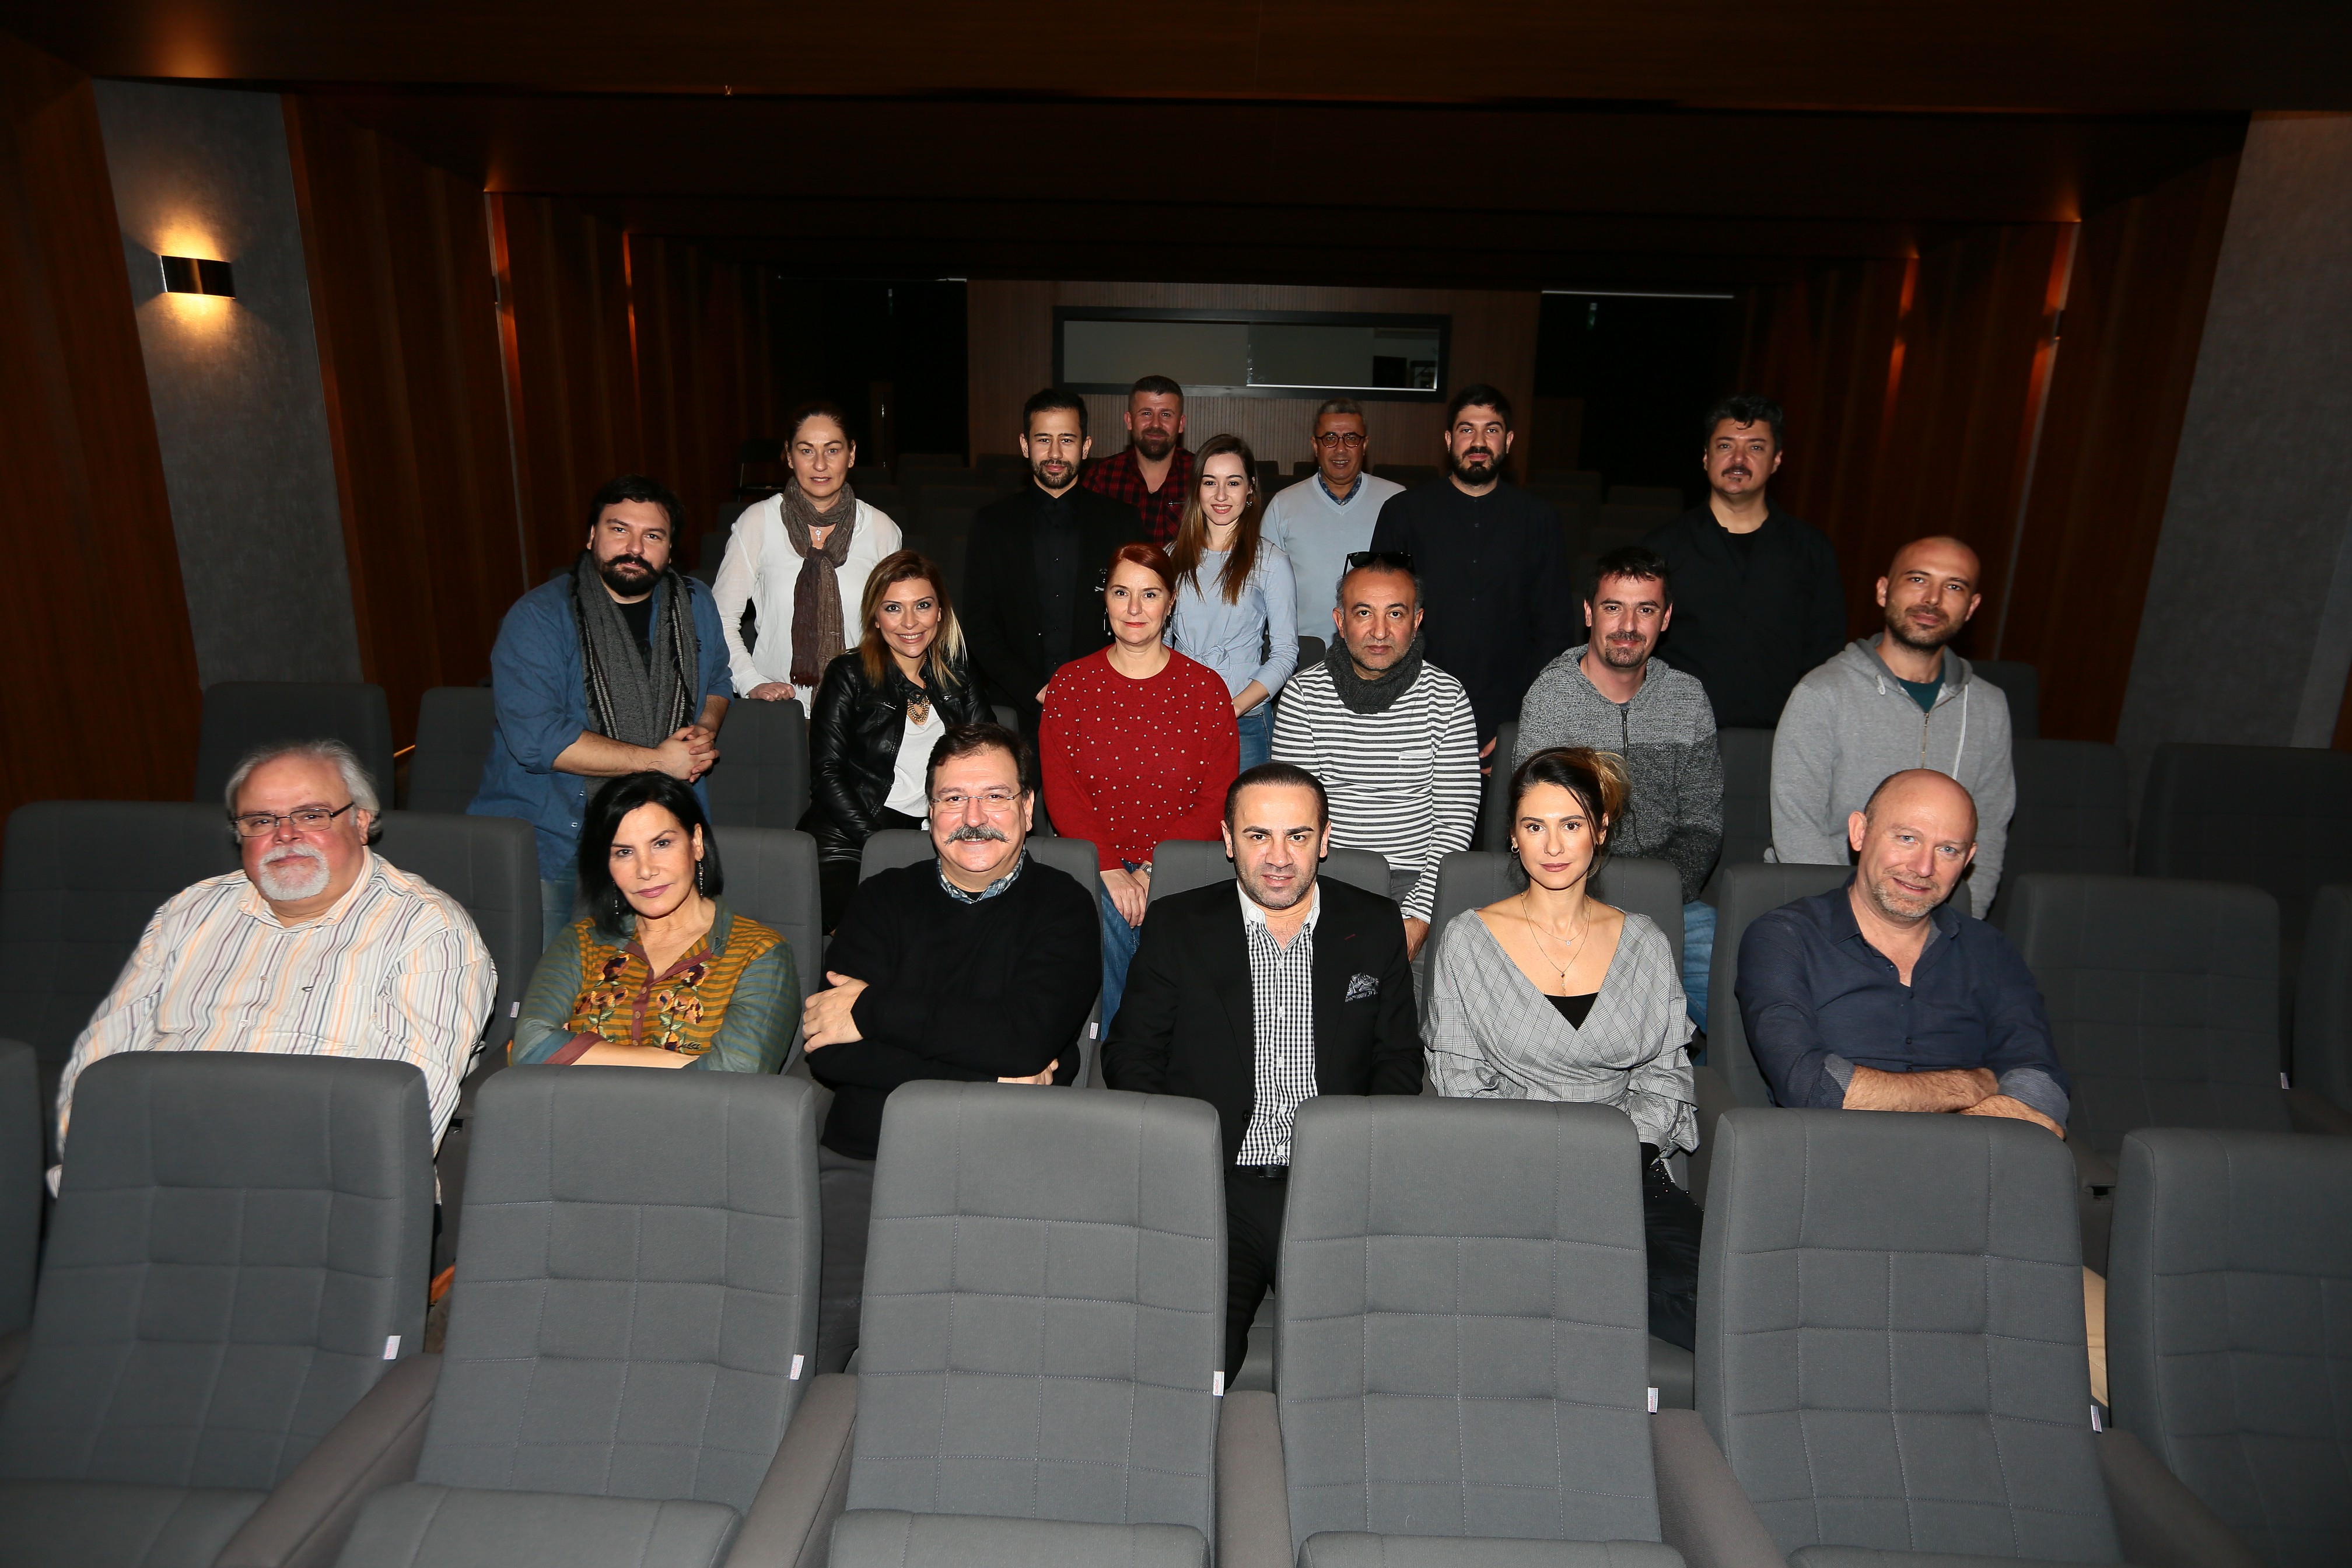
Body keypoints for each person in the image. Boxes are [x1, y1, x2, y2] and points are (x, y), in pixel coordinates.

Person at [1102, 764, 1423, 1377]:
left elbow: (1399, 1060)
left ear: (1325, 840)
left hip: (1333, 1183)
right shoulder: (1177, 925)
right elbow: (1131, 1056)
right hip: (1216, 1185)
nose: (1278, 858)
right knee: (1192, 1359)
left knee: (1360, 1365)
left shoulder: (1374, 923)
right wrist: (1183, 1161)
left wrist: (1357, 1159)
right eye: (1258, 836)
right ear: (1228, 840)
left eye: (1298, 836)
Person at [802, 722, 1098, 1370]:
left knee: (983, 1356)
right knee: (815, 1342)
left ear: (1028, 809)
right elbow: (831, 1050)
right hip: (869, 1159)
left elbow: (1024, 1039)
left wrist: (873, 1009)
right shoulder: (881, 898)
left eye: (995, 797)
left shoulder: (1065, 907)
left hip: (1006, 1163)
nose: (973, 819)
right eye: (953, 799)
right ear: (929, 811)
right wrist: (991, 1074)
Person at [57, 741, 494, 1148]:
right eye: (261, 821)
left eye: (312, 815)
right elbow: (98, 1064)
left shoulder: (428, 931)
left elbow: (398, 1114)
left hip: (306, 1178)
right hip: (144, 1160)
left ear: (360, 822)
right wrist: (91, 1157)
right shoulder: (189, 911)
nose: (285, 834)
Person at [1424, 747, 1701, 1349]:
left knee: (1720, 1302)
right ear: (1513, 836)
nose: (1553, 845)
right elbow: (1461, 1083)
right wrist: (1548, 1159)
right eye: (1534, 826)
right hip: (1511, 1175)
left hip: (1626, 1169)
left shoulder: (1645, 942)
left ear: (1600, 830)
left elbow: (1665, 1076)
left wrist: (1616, 1154)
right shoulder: (1468, 940)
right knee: (1528, 1294)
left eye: (1571, 824)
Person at [474, 473, 733, 946]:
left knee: (660, 973)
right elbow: (538, 741)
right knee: (555, 979)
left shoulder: (695, 604)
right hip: (558, 835)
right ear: (592, 536)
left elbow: (717, 681)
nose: (634, 548)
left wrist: (705, 728)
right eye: (619, 530)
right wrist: (659, 762)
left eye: (652, 536)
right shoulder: (538, 618)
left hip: (665, 830)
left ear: (670, 550)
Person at [1737, 769, 2066, 1135]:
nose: (1924, 868)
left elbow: (2041, 1079)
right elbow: (1811, 1086)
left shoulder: (1991, 950)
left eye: (1948, 850)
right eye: (1907, 838)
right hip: (1832, 1154)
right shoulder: (1784, 937)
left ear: (1969, 858)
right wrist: (1971, 1085)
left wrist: (1962, 1135)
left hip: (1970, 1158)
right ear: (1860, 833)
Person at [1514, 546, 1724, 1029]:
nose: (1628, 625)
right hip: (1574, 895)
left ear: (1665, 618)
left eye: (1645, 610)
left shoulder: (1687, 699)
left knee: (1735, 985)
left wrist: (1654, 893)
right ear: (1589, 612)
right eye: (1613, 607)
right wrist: (1604, 897)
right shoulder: (1551, 698)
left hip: (1673, 897)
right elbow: (1538, 824)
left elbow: (1703, 825)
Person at [1039, 542, 1240, 1030]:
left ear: (1170, 603)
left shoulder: (1206, 689)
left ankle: (1128, 1053)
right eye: (1121, 593)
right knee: (1105, 909)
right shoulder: (1070, 685)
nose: (1134, 608)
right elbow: (1061, 792)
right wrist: (1110, 868)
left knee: (1154, 920)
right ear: (1104, 600)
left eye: (1150, 595)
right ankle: (1130, 1054)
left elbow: (1218, 796)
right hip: (1093, 862)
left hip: (1181, 863)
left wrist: (1155, 869)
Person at [1770, 535, 2015, 918]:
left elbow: (1990, 831)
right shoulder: (1822, 693)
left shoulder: (1989, 707)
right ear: (1884, 591)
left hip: (1935, 919)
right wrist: (1851, 925)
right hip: (1824, 913)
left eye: (1954, 587)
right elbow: (1798, 828)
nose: (1932, 599)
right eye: (1917, 580)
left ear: (1972, 607)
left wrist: (1964, 925)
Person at [512, 772, 796, 1073]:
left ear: (696, 843)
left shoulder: (759, 952)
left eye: (661, 844)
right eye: (624, 852)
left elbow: (739, 1072)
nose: (645, 870)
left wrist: (575, 1051)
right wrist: (685, 1063)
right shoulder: (582, 941)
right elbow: (530, 1046)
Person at [1270, 551, 1478, 960]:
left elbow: (1455, 822)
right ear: (1340, 621)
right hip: (1326, 877)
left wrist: (1417, 917)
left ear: (1417, 621)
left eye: (1395, 614)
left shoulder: (1447, 697)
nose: (1380, 631)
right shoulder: (1303, 695)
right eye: (1364, 613)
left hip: (1419, 880)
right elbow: (1292, 818)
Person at [1368, 383, 1576, 754]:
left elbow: (1554, 630)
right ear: (1449, 439)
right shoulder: (1403, 513)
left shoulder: (1539, 520)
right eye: (1467, 430)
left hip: (1512, 707)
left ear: (1508, 441)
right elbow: (1379, 616)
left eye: (1491, 430)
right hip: (1414, 704)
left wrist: (1524, 721)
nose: (1478, 442)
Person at [807, 550, 990, 929]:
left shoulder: (959, 672)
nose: (910, 622)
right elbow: (826, 773)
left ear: (940, 612)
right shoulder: (849, 674)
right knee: (879, 928)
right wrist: (879, 843)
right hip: (848, 840)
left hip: (934, 837)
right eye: (893, 608)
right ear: (876, 617)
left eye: (923, 605)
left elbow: (988, 758)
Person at [1642, 394, 1846, 730]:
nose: (1738, 459)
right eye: (1725, 446)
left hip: (1785, 736)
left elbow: (1826, 649)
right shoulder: (1660, 548)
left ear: (1777, 460)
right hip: (1681, 735)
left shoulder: (1812, 549)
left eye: (1755, 448)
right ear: (1706, 457)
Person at [962, 388, 1145, 736]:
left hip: (1104, 705)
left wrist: (1099, 685)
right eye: (1043, 439)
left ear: (1086, 447)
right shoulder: (991, 524)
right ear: (1025, 445)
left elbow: (1138, 617)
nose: (1055, 453)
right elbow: (977, 624)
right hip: (1016, 711)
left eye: (1067, 440)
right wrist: (1035, 689)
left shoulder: (1122, 523)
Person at [713, 401, 904, 710]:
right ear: (789, 456)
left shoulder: (881, 529)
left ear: (851, 454)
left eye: (832, 450)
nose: (820, 465)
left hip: (861, 708)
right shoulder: (758, 522)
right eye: (806, 451)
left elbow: (897, 625)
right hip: (779, 710)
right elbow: (720, 618)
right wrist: (751, 682)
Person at [1167, 433, 1298, 771]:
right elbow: (1159, 644)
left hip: (1244, 722)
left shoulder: (1271, 562)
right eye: (1210, 482)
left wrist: (1233, 708)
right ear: (1197, 489)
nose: (1221, 495)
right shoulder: (1170, 557)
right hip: (1178, 717)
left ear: (1251, 489)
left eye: (1234, 483)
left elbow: (1285, 653)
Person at [1261, 397, 1405, 636]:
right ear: (1315, 445)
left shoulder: (1397, 501)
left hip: (1377, 643)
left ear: (1365, 444)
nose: (1340, 449)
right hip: (1302, 647)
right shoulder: (1283, 505)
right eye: (1330, 439)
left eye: (1351, 438)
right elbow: (1261, 587)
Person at [1082, 373, 1196, 546]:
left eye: (1166, 414)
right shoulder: (1102, 477)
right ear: (1129, 421)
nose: (1156, 424)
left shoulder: (1201, 475)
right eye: (1146, 413)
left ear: (1181, 424)